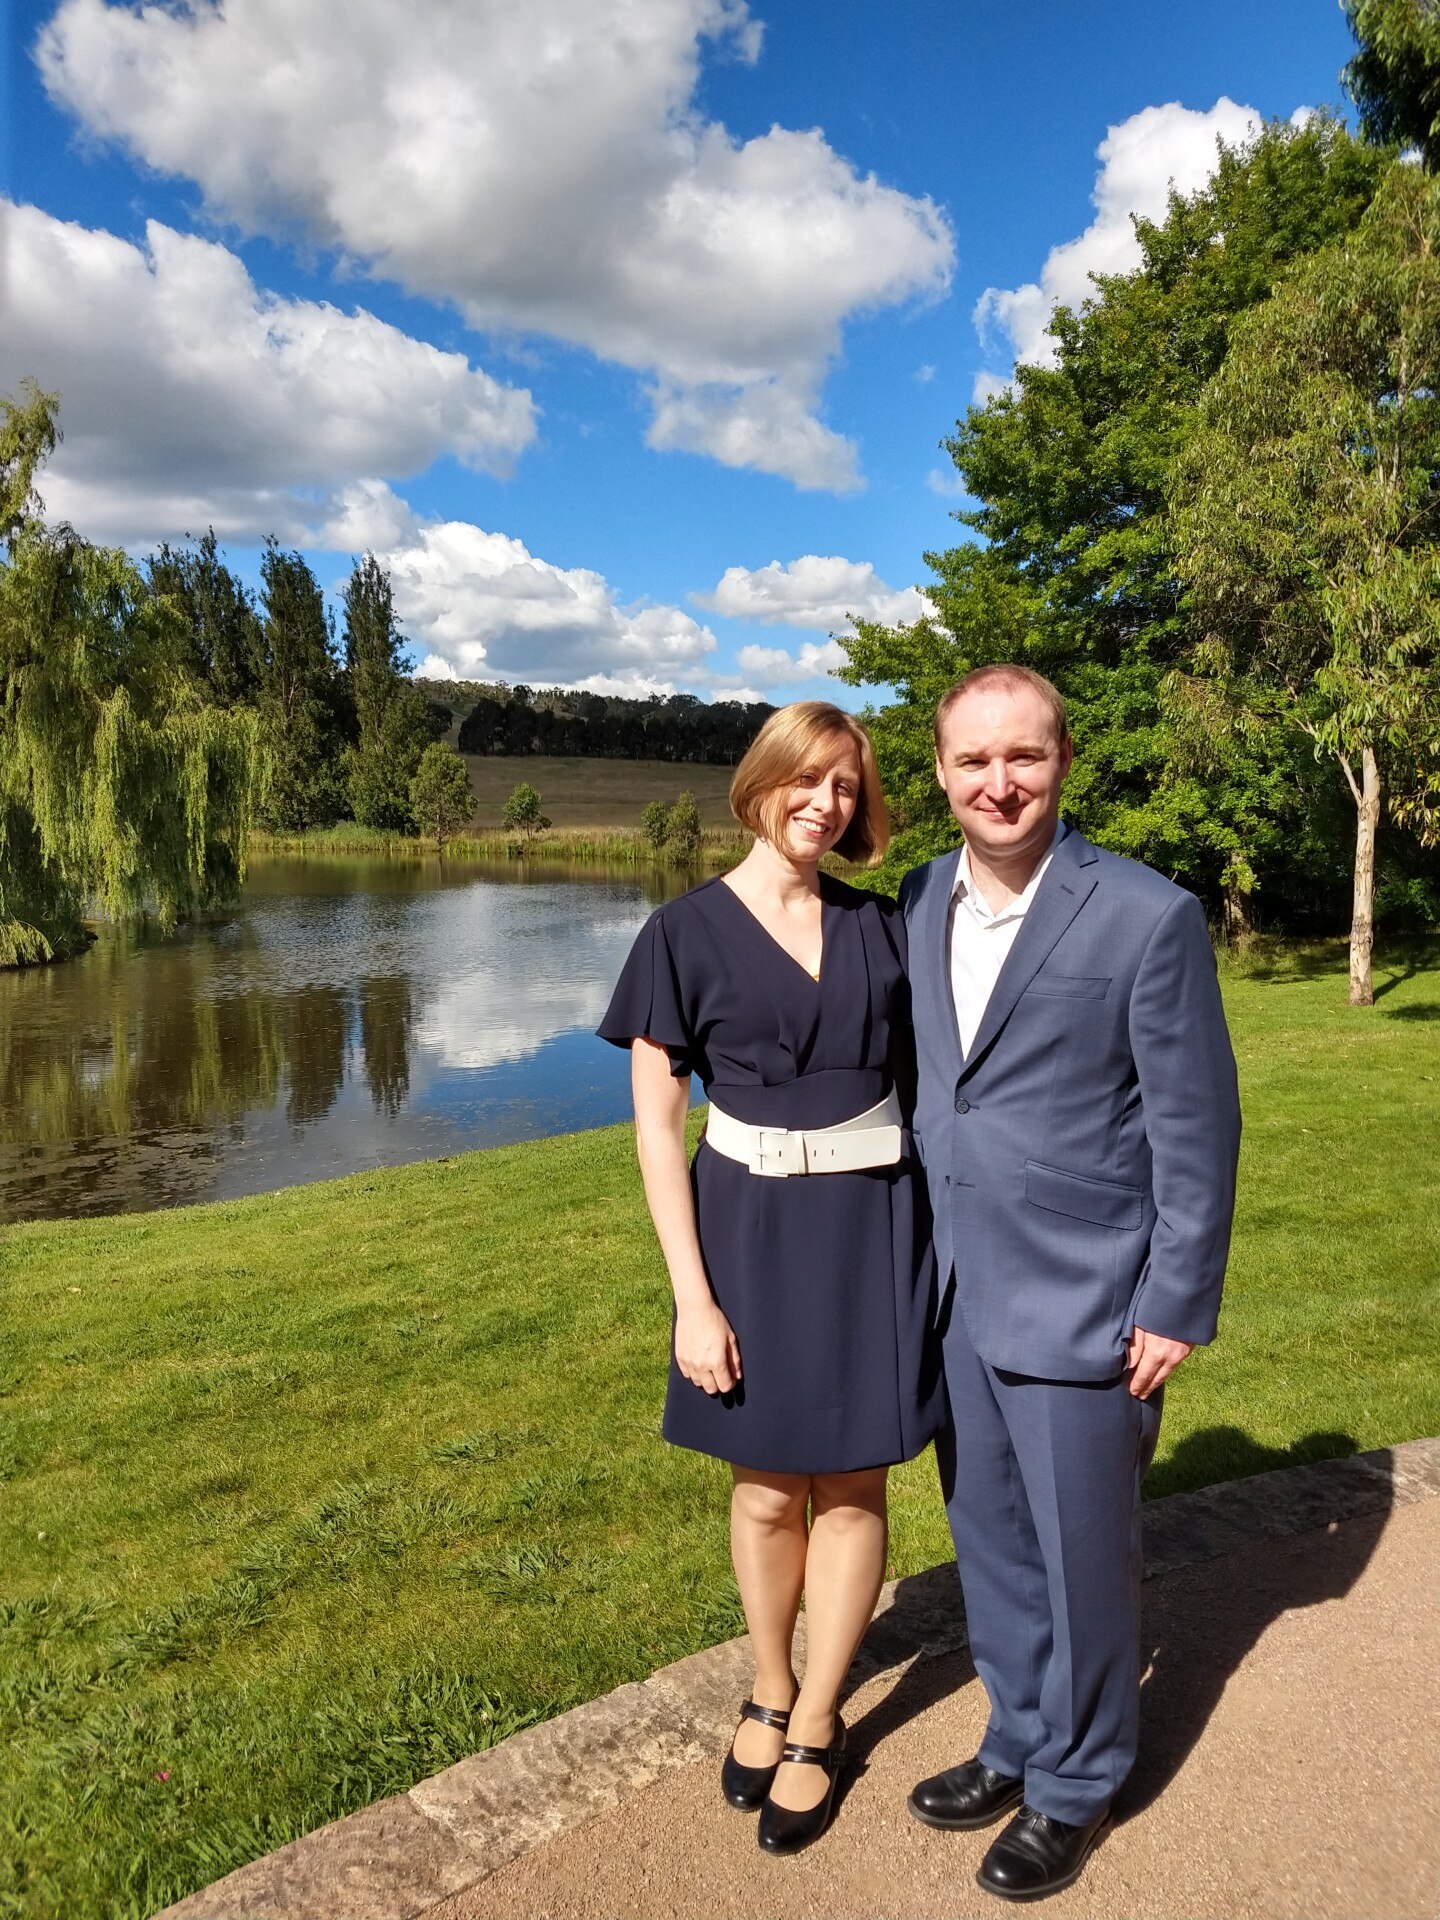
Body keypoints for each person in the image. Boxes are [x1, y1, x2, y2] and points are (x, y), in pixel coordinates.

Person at [900, 665, 1241, 1901]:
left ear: (1063, 763)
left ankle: (1080, 1781)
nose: (999, 782)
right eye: (974, 760)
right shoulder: (918, 897)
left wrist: (1174, 1301)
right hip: (953, 1286)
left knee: (1084, 1558)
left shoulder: (1147, 915)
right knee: (991, 1542)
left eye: (1024, 756)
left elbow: (1197, 1123)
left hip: (1088, 1296)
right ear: (942, 772)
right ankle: (1018, 1735)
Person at [598, 701, 943, 1856]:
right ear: (760, 784)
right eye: (808, 778)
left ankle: (821, 1715)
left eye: (846, 785)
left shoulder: (886, 927)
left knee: (851, 1487)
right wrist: (692, 1299)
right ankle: (767, 1685)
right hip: (745, 1234)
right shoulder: (680, 934)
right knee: (760, 1490)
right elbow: (658, 1131)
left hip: (873, 1229)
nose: (825, 803)